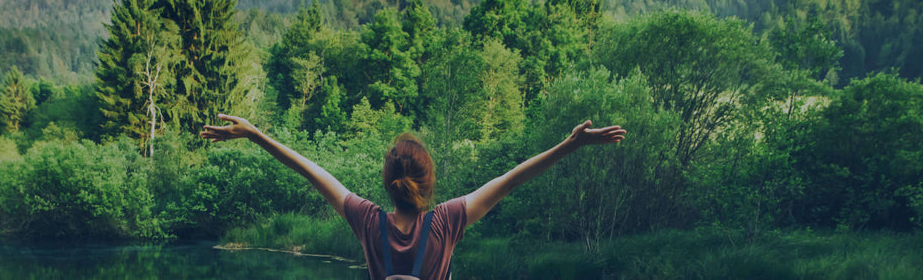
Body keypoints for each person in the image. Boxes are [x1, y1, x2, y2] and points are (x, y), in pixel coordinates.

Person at [201, 114, 627, 280]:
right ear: (428, 182)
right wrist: (572, 144)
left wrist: (255, 135)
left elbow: (310, 171)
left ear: (388, 182)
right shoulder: (447, 221)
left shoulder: (367, 221)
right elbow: (513, 179)